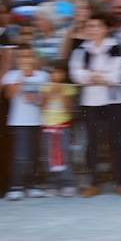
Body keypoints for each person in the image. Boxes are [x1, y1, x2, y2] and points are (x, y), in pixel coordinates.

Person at [69, 12, 121, 197]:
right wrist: (95, 77)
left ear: (105, 28)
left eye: (97, 26)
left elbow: (117, 76)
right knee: (91, 142)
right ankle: (93, 183)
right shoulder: (81, 49)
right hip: (90, 101)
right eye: (90, 26)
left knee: (117, 141)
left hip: (114, 101)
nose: (93, 30)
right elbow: (75, 73)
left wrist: (95, 76)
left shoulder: (116, 47)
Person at [3, 45, 49, 200]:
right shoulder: (11, 75)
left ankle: (32, 185)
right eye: (22, 56)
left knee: (35, 154)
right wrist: (22, 79)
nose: (26, 60)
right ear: (17, 59)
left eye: (29, 56)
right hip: (18, 122)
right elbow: (9, 95)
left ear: (34, 58)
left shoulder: (43, 76)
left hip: (37, 121)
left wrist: (35, 99)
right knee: (20, 155)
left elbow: (44, 101)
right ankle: (15, 186)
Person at [40, 59, 78, 197]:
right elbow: (42, 105)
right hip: (48, 127)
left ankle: (68, 183)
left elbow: (70, 109)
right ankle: (52, 183)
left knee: (65, 155)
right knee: (49, 156)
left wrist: (61, 93)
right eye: (53, 72)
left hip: (63, 126)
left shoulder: (68, 88)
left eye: (58, 72)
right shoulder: (45, 87)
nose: (55, 75)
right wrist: (50, 93)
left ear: (64, 74)